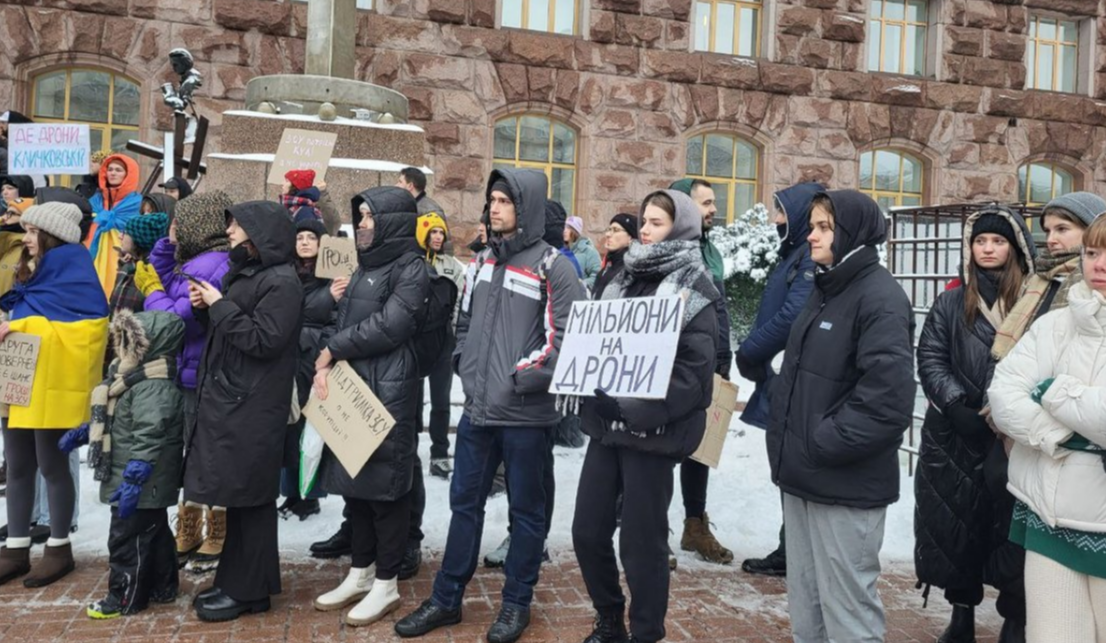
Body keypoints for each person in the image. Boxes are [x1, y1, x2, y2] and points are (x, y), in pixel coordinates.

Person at [395, 169, 586, 643]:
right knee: (464, 506)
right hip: (478, 413)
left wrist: (520, 378)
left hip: (525, 416)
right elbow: (464, 322)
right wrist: (464, 362)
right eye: (492, 199)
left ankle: (516, 602)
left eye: (505, 200)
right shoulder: (480, 262)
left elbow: (566, 341)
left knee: (526, 513)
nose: (495, 207)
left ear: (527, 207)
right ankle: (446, 598)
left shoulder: (552, 266)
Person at [768, 190, 916, 643]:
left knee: (848, 616)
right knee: (807, 613)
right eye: (812, 226)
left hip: (844, 484)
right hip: (803, 478)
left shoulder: (880, 297)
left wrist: (819, 441)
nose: (810, 236)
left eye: (823, 227)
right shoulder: (826, 286)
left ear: (851, 232)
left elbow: (887, 401)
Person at [573, 189, 720, 643]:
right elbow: (596, 346)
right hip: (607, 429)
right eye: (644, 221)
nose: (645, 230)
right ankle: (609, 615)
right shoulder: (619, 278)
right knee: (587, 531)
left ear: (680, 229)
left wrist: (631, 407)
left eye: (656, 222)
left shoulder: (698, 288)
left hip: (653, 435)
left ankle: (645, 632)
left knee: (641, 546)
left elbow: (694, 377)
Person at [915, 206, 1036, 643]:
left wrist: (1006, 413)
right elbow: (929, 357)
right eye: (980, 241)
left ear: (1015, 248)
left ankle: (1014, 618)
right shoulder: (951, 302)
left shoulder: (1032, 305)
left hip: (1011, 436)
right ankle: (961, 614)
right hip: (955, 435)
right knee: (955, 526)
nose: (987, 248)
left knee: (1011, 529)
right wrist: (954, 405)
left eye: (997, 241)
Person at [311, 187, 429, 627]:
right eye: (359, 216)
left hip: (390, 387)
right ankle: (359, 572)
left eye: (368, 217)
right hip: (353, 385)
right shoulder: (364, 268)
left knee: (386, 489)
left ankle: (386, 583)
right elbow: (342, 322)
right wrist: (329, 358)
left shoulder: (411, 269)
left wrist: (333, 349)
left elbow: (392, 325)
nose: (360, 224)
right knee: (356, 488)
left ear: (392, 222)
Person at [989, 214, 1105, 643]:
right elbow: (1004, 395)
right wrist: (1062, 435)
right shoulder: (1054, 323)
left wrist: (1054, 393)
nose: (1098, 264)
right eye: (1092, 252)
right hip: (1048, 518)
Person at [185, 201, 301, 622]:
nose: (230, 231)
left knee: (251, 497)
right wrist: (206, 307)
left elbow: (264, 339)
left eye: (236, 225)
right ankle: (243, 583)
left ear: (260, 232)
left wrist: (219, 305)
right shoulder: (252, 273)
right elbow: (232, 329)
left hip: (254, 403)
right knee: (240, 497)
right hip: (237, 398)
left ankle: (248, 591)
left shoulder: (282, 282)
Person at [0, 203, 109, 588]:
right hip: (21, 381)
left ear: (52, 235)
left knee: (51, 465)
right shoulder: (36, 269)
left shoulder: (75, 270)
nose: (25, 238)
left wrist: (20, 326)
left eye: (32, 232)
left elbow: (91, 332)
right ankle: (15, 547)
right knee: (16, 465)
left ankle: (59, 547)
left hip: (50, 385)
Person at [60, 311, 186, 619]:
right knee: (153, 532)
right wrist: (86, 432)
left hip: (142, 479)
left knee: (126, 539)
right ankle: (162, 585)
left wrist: (135, 478)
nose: (124, 347)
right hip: (142, 479)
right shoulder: (128, 379)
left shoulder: (153, 386)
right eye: (123, 339)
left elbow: (148, 435)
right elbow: (120, 420)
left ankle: (124, 596)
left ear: (148, 347)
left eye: (130, 341)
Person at [141, 191, 233, 573]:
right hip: (188, 370)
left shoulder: (211, 267)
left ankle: (217, 527)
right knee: (191, 452)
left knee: (204, 453)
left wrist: (151, 293)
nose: (174, 226)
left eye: (182, 220)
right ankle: (192, 521)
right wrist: (167, 243)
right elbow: (165, 273)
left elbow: (172, 321)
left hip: (200, 371)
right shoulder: (193, 257)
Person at [736, 182, 821, 578]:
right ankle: (792, 549)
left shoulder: (807, 258)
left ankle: (797, 552)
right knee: (786, 466)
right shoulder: (795, 254)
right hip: (779, 374)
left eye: (782, 213)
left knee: (795, 466)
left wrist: (751, 351)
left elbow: (790, 316)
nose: (775, 220)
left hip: (793, 377)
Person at [668, 177, 733, 567]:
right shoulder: (672, 252)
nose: (713, 209)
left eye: (713, 202)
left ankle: (695, 526)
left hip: (712, 366)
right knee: (663, 450)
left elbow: (718, 311)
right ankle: (652, 531)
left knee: (701, 451)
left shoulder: (710, 252)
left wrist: (723, 358)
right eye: (705, 203)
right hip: (678, 368)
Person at [992, 192, 1106, 362]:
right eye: (1047, 231)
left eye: (1062, 229)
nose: (1051, 239)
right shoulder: (1039, 277)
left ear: (1092, 230)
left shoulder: (1094, 280)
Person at [278, 219, 334, 522]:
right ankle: (290, 492)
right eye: (299, 236)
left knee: (311, 430)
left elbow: (334, 319)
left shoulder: (331, 279)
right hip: (287, 358)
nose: (304, 242)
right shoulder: (286, 273)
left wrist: (325, 355)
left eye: (311, 237)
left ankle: (310, 496)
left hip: (316, 360)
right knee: (289, 426)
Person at [416, 212, 466, 480]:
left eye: (440, 232)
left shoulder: (453, 266)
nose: (437, 237)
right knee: (412, 398)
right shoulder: (412, 263)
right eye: (432, 232)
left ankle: (439, 453)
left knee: (441, 399)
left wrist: (457, 337)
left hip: (443, 339)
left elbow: (458, 303)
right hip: (416, 339)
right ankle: (408, 448)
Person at [88, 155, 143, 298]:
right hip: (94, 252)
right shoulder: (95, 200)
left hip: (122, 254)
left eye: (118, 170)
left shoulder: (137, 203)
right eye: (110, 169)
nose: (112, 173)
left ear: (128, 174)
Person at [111, 213, 171, 320]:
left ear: (138, 239)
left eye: (126, 232)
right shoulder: (130, 264)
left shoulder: (150, 272)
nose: (120, 236)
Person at [593, 213, 637, 299]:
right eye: (609, 229)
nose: (608, 234)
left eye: (616, 230)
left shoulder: (632, 271)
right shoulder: (605, 270)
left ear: (630, 238)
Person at [564, 215, 601, 288]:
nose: (565, 230)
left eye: (568, 228)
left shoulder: (588, 251)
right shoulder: (561, 250)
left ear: (575, 231)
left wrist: (581, 284)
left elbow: (597, 276)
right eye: (564, 227)